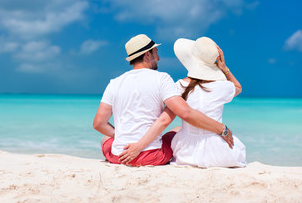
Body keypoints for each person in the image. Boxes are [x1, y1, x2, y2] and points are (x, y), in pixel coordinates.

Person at [93, 34, 234, 167]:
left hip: (118, 156)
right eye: (156, 52)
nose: (158, 58)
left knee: (106, 138)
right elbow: (184, 113)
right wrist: (222, 129)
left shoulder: (114, 83)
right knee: (178, 130)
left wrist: (124, 137)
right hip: (151, 156)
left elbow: (99, 123)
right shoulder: (162, 79)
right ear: (147, 54)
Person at [170, 36, 246, 168]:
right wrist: (224, 68)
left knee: (177, 129)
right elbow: (238, 88)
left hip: (187, 154)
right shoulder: (222, 86)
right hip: (220, 154)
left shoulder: (179, 86)